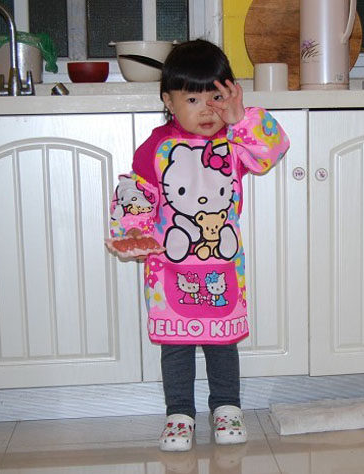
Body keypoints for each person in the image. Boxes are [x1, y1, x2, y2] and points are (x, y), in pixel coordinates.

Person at [106, 39, 290, 452]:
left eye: (216, 97)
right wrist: (135, 230)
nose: (207, 109)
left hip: (222, 266)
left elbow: (273, 150)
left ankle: (227, 407)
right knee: (176, 345)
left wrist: (241, 118)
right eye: (192, 99)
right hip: (170, 268)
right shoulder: (156, 146)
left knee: (223, 342)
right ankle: (179, 414)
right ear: (168, 101)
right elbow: (137, 192)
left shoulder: (234, 142)